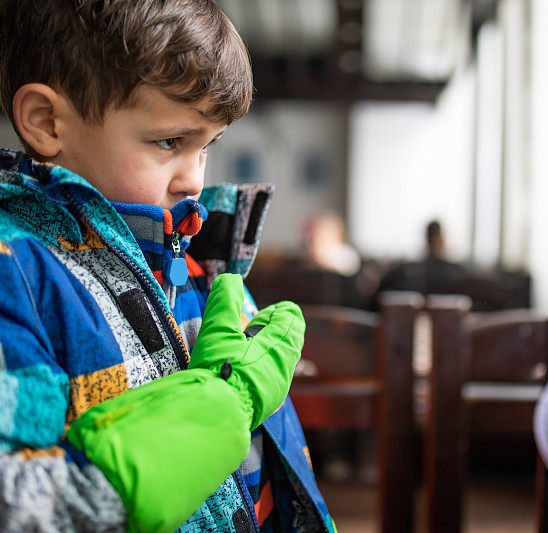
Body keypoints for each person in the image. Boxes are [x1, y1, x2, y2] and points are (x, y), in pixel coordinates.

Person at [0, 1, 334, 531]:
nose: (195, 181)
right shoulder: (15, 274)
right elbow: (18, 506)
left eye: (207, 146)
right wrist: (198, 422)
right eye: (169, 142)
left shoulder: (200, 255)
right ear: (46, 122)